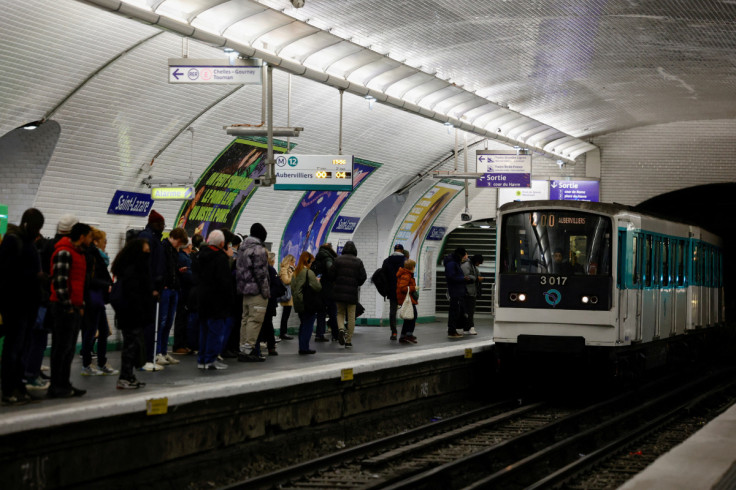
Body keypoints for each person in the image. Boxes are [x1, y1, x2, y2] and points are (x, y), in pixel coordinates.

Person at [0, 208, 45, 405]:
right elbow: (6, 272)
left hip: (29, 303)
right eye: (36, 227)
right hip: (15, 303)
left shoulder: (28, 242)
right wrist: (32, 277)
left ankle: (19, 385)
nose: (38, 231)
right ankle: (8, 389)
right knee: (13, 348)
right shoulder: (13, 241)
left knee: (23, 348)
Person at [47, 222, 93, 398]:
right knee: (61, 348)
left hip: (74, 307)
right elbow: (60, 282)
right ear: (81, 236)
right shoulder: (64, 252)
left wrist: (79, 305)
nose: (90, 240)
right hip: (63, 308)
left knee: (68, 349)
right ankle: (56, 386)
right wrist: (69, 307)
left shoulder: (79, 253)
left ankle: (64, 384)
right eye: (89, 236)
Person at [80, 227, 118, 375]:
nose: (106, 243)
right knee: (91, 331)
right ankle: (87, 364)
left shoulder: (99, 256)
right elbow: (89, 279)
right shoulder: (91, 255)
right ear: (95, 241)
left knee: (102, 331)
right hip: (92, 297)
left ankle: (101, 362)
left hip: (98, 298)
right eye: (104, 240)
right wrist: (107, 285)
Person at [196, 230, 233, 370]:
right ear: (222, 243)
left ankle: (202, 360)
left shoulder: (200, 255)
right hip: (217, 301)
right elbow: (225, 282)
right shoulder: (220, 258)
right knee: (216, 332)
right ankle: (211, 359)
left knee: (204, 331)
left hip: (203, 299)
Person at [155, 226, 188, 367]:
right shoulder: (163, 248)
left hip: (173, 288)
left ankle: (163, 351)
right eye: (179, 242)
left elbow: (170, 269)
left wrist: (178, 272)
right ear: (175, 238)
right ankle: (158, 353)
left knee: (168, 322)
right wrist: (163, 284)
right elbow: (160, 268)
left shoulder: (174, 251)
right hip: (166, 289)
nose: (180, 246)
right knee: (162, 322)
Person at [236, 223, 270, 362]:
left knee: (245, 319)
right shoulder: (258, 250)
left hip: (245, 291)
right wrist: (266, 292)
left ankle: (243, 348)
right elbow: (261, 274)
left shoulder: (242, 248)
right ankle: (249, 350)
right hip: (257, 291)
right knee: (255, 320)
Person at [138, 209, 166, 371]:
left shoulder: (153, 238)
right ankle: (145, 359)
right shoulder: (148, 238)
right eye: (162, 224)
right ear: (155, 224)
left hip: (152, 288)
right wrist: (153, 287)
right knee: (147, 326)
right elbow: (147, 266)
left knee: (149, 325)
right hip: (148, 290)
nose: (163, 227)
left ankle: (148, 357)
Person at [330, 241, 367, 349]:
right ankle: (348, 340)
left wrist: (335, 282)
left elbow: (331, 274)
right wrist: (356, 283)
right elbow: (363, 276)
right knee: (351, 316)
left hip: (339, 291)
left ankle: (341, 329)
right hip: (352, 293)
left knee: (340, 312)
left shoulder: (337, 260)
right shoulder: (358, 261)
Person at [291, 251, 320, 354]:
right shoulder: (308, 272)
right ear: (307, 261)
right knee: (308, 326)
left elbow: (294, 288)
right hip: (307, 304)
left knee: (303, 325)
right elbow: (317, 288)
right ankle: (304, 348)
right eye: (311, 262)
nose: (311, 264)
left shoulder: (295, 272)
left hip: (298, 304)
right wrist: (317, 281)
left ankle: (302, 347)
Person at [256, 252, 283, 356]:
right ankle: (267, 346)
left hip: (267, 301)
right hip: (265, 301)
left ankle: (270, 346)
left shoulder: (269, 270)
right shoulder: (267, 269)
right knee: (265, 324)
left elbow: (276, 286)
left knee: (266, 323)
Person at [311, 242, 338, 342]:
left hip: (321, 288)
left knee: (321, 313)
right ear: (330, 248)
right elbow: (331, 271)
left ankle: (319, 334)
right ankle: (335, 334)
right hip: (330, 288)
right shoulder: (328, 258)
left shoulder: (319, 257)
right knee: (333, 312)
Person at [172, 238, 193, 355]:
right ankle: (179, 344)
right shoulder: (183, 258)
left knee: (183, 319)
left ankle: (182, 344)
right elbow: (188, 275)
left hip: (184, 291)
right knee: (181, 318)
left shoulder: (184, 257)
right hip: (183, 292)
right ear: (188, 246)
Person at [381, 243, 406, 341]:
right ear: (402, 251)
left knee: (392, 311)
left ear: (394, 250)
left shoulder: (387, 261)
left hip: (392, 290)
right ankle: (405, 333)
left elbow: (383, 276)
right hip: (403, 290)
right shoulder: (406, 261)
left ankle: (394, 332)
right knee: (407, 310)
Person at [443, 247, 468, 339]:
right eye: (464, 255)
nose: (464, 257)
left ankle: (453, 329)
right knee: (454, 312)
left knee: (456, 311)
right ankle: (452, 331)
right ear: (460, 255)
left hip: (458, 291)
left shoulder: (454, 262)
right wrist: (463, 278)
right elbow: (451, 277)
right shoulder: (452, 263)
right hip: (455, 291)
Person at [396, 259, 418, 344]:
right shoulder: (406, 275)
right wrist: (413, 288)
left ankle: (403, 336)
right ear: (412, 267)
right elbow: (403, 288)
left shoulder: (408, 274)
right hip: (407, 299)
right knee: (412, 316)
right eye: (414, 266)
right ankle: (409, 335)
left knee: (408, 317)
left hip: (407, 298)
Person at [461, 254, 484, 335]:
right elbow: (466, 276)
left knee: (469, 311)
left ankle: (467, 328)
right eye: (479, 262)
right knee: (470, 311)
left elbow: (476, 274)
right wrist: (476, 278)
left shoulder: (472, 266)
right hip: (467, 291)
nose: (479, 264)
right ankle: (471, 327)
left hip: (471, 291)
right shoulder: (467, 266)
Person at [278, 254, 296, 340]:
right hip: (286, 294)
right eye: (293, 262)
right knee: (285, 315)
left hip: (291, 294)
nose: (294, 264)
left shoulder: (290, 269)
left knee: (286, 314)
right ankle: (283, 333)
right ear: (289, 261)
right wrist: (292, 274)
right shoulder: (284, 269)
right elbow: (286, 281)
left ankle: (284, 332)